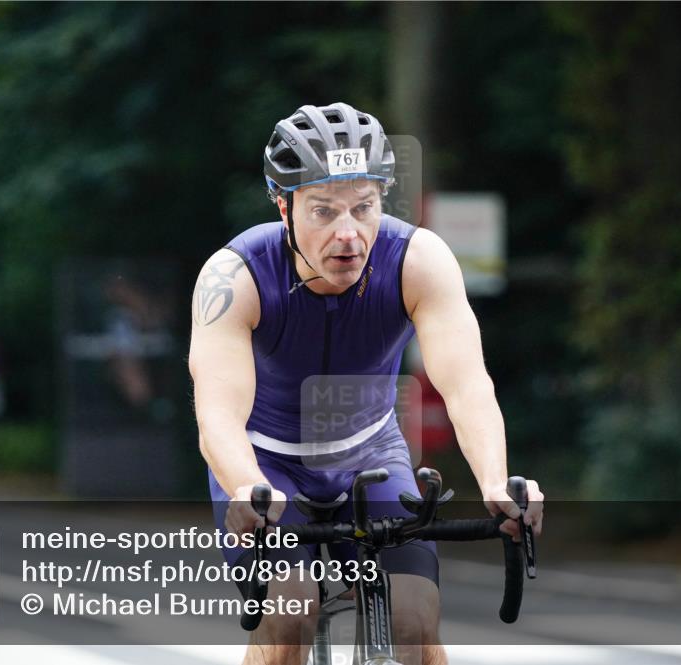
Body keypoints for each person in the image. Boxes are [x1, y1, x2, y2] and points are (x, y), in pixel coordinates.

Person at [189, 102, 544, 665]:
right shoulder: (236, 275)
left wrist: (497, 482)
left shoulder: (418, 261)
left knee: (414, 622)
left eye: (364, 207)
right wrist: (246, 487)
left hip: (371, 457)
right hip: (266, 464)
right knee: (290, 616)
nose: (348, 233)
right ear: (283, 206)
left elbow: (466, 386)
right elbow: (218, 416)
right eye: (323, 211)